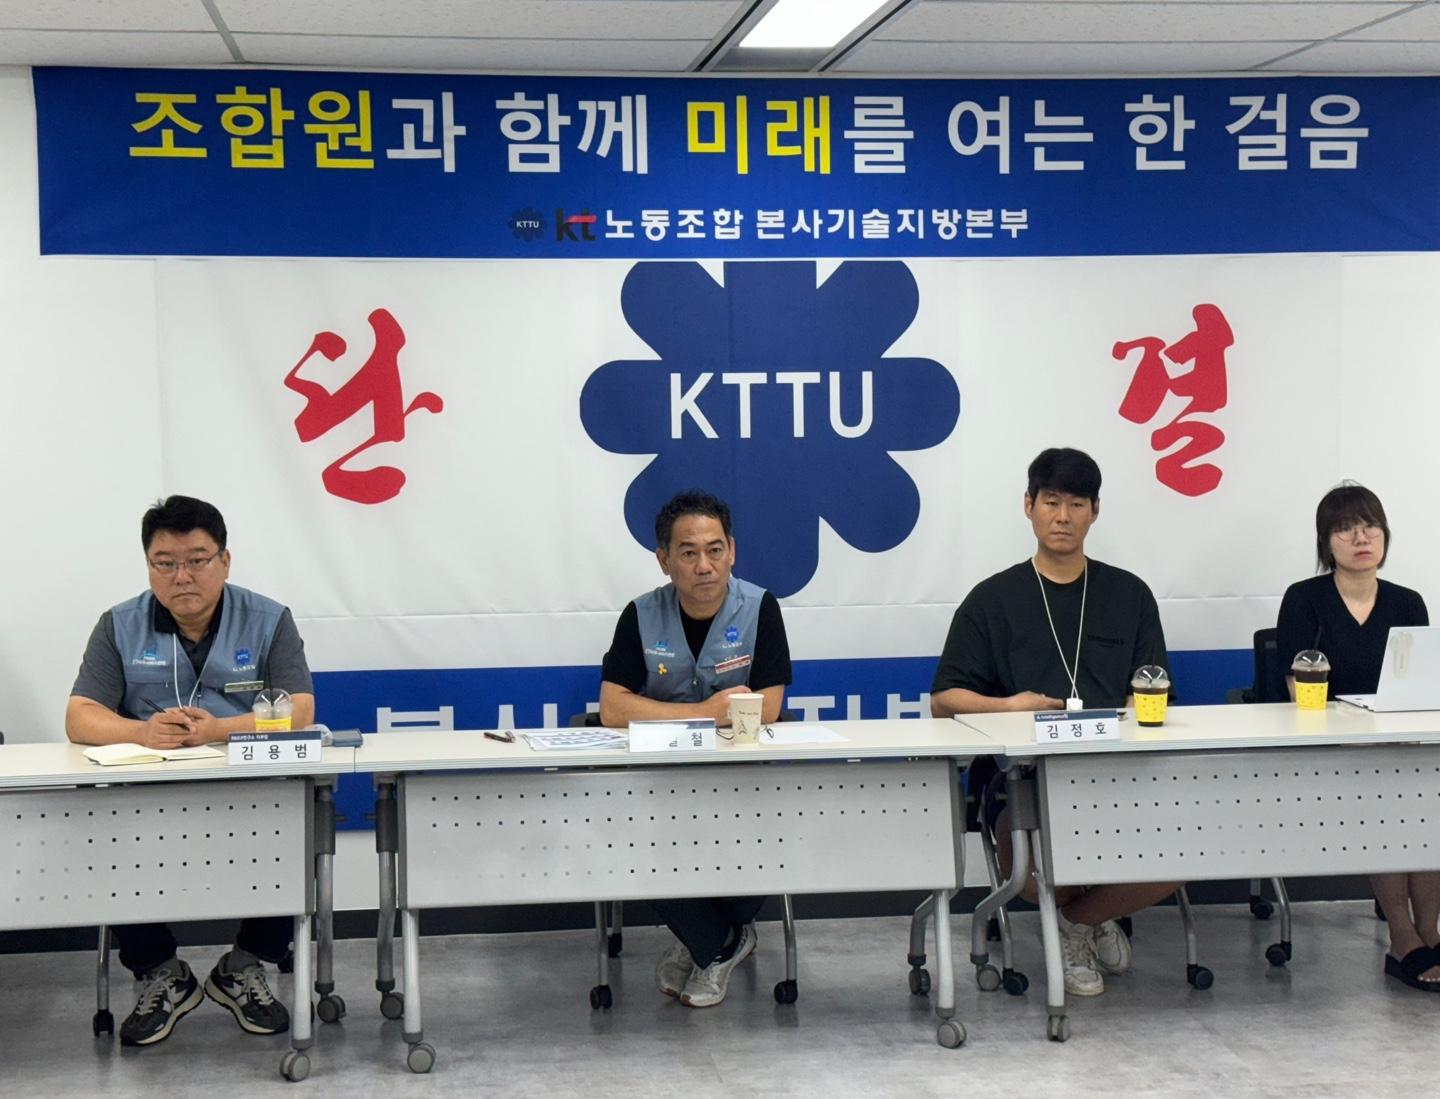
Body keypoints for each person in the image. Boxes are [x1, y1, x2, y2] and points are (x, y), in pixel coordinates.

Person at [66, 495, 316, 1045]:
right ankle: (161, 973)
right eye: (165, 563)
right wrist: (140, 731)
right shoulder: (119, 625)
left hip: (249, 790)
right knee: (108, 831)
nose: (182, 576)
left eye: (197, 560)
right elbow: (79, 715)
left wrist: (221, 729)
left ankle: (244, 966)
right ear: (149, 566)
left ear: (224, 561)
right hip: (148, 796)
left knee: (296, 824)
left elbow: (299, 708)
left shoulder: (268, 619)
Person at [930, 447, 1180, 996]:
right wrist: (1007, 707)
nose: (1062, 516)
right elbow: (943, 700)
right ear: (1029, 506)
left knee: (1184, 852)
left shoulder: (1129, 595)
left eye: (1076, 504)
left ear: (1095, 511)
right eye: (1050, 502)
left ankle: (1078, 921)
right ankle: (1087, 919)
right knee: (1026, 865)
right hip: (1022, 780)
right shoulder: (993, 599)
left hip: (1119, 774)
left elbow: (1155, 688)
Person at [598, 489, 792, 1007]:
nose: (704, 566)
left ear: (732, 551)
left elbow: (770, 706)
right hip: (659, 782)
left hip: (743, 781)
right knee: (627, 840)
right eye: (688, 553)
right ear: (664, 560)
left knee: (759, 841)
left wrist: (658, 710)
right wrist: (707, 711)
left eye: (714, 550)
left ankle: (702, 941)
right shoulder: (641, 615)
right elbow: (613, 708)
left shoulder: (760, 608)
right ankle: (720, 943)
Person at [1276, 482, 1440, 992]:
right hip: (1330, 747)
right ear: (1327, 543)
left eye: (1370, 527)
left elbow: (1419, 685)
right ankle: (1402, 938)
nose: (1361, 538)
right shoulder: (1305, 599)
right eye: (1345, 529)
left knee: (1427, 800)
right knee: (1388, 800)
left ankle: (1430, 933)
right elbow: (1296, 686)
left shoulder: (1407, 602)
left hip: (1397, 741)